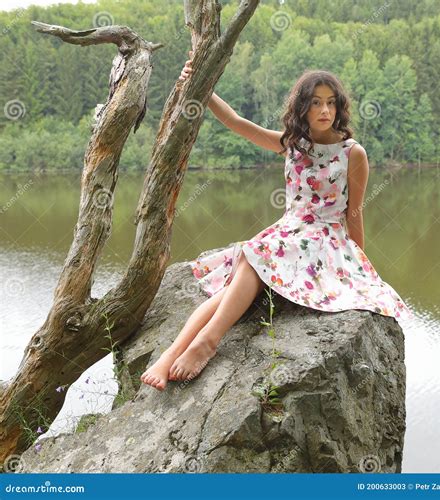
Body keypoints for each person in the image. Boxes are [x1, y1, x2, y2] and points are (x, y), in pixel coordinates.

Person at [140, 50, 414, 391]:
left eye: (331, 103)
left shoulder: (352, 153)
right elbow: (238, 123)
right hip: (288, 232)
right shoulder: (293, 145)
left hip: (324, 239)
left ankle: (207, 342)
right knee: (240, 273)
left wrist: (359, 263)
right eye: (316, 103)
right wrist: (202, 89)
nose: (325, 110)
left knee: (257, 255)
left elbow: (354, 212)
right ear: (303, 108)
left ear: (339, 107)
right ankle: (170, 354)